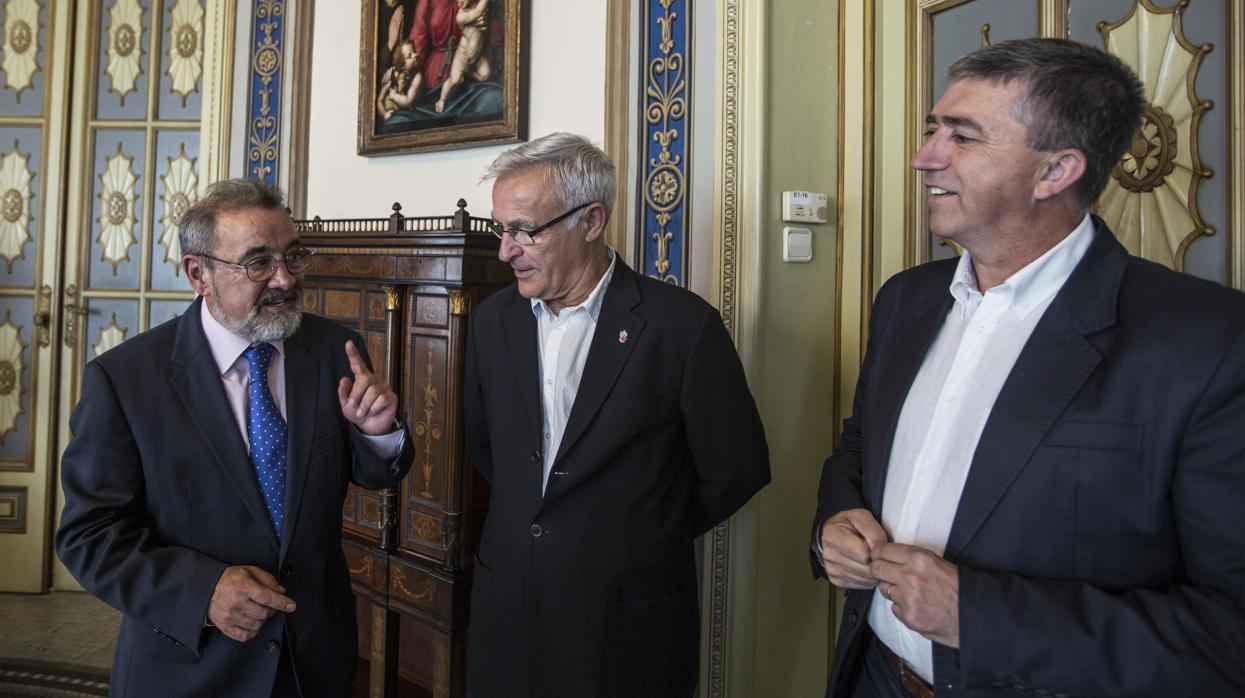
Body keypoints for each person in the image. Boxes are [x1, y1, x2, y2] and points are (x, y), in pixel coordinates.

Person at [812, 38, 1245, 697]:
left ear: (1054, 172)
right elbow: (859, 449)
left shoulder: (1207, 341)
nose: (923, 156)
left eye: (961, 136)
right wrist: (836, 521)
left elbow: (1227, 634)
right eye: (931, 129)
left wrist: (980, 617)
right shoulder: (906, 299)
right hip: (874, 677)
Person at [56, 179, 414, 697]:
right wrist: (203, 592)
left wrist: (378, 434)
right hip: (188, 667)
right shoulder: (124, 380)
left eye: (293, 256)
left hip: (312, 660)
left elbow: (373, 471)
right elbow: (89, 535)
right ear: (198, 273)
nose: (285, 279)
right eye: (258, 263)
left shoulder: (338, 349)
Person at [464, 132, 771, 697]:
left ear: (591, 220)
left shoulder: (683, 327)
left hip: (626, 619)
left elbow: (736, 469)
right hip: (508, 605)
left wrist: (634, 533)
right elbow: (487, 447)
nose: (506, 250)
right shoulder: (492, 322)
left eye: (524, 230)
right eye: (500, 229)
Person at [435, 0, 491, 113]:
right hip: (463, 53)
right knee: (453, 80)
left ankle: (467, 73)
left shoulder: (475, 5)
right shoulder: (460, 16)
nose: (459, 2)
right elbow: (478, 12)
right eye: (456, 0)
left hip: (477, 54)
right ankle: (441, 100)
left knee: (485, 74)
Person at [378, 39, 423, 120]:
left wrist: (394, 96)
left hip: (408, 114)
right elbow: (379, 101)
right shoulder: (392, 76)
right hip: (392, 114)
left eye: (414, 51)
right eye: (409, 56)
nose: (415, 55)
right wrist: (384, 114)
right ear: (402, 65)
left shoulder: (417, 76)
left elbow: (408, 102)